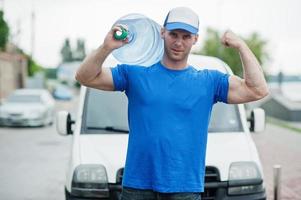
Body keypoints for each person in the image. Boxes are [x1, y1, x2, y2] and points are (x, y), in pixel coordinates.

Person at [75, 6, 269, 200]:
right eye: (173, 34)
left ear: (195, 39)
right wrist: (106, 47)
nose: (178, 42)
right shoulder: (135, 74)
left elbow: (257, 89)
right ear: (162, 32)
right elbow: (85, 77)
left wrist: (242, 46)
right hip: (137, 186)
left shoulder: (210, 81)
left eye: (186, 36)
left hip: (184, 188)